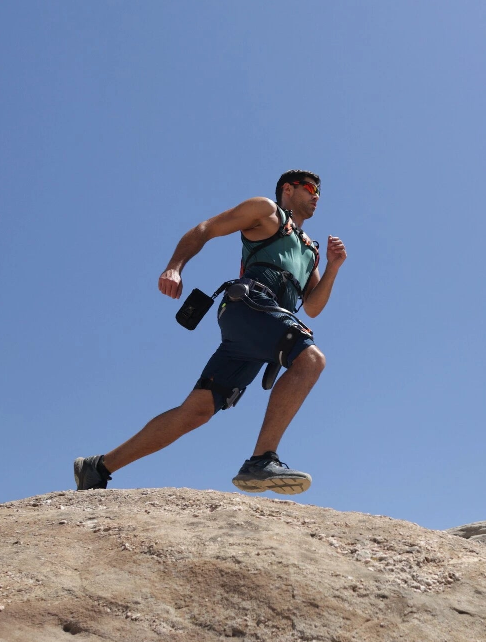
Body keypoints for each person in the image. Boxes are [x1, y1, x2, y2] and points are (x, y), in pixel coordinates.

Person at [74, 170, 347, 494]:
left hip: (261, 325)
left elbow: (313, 306)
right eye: (310, 188)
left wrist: (332, 267)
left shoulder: (309, 250)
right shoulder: (266, 212)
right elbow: (206, 229)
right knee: (311, 360)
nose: (316, 196)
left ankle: (97, 468)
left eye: (319, 192)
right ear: (288, 189)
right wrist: (174, 266)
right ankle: (261, 460)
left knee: (197, 411)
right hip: (250, 303)